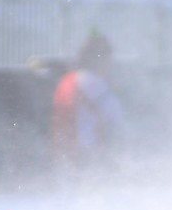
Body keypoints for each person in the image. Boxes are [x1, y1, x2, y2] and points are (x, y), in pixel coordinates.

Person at [49, 30, 129, 175]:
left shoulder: (67, 80)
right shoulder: (96, 84)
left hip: (64, 157)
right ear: (101, 59)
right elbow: (118, 121)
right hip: (90, 159)